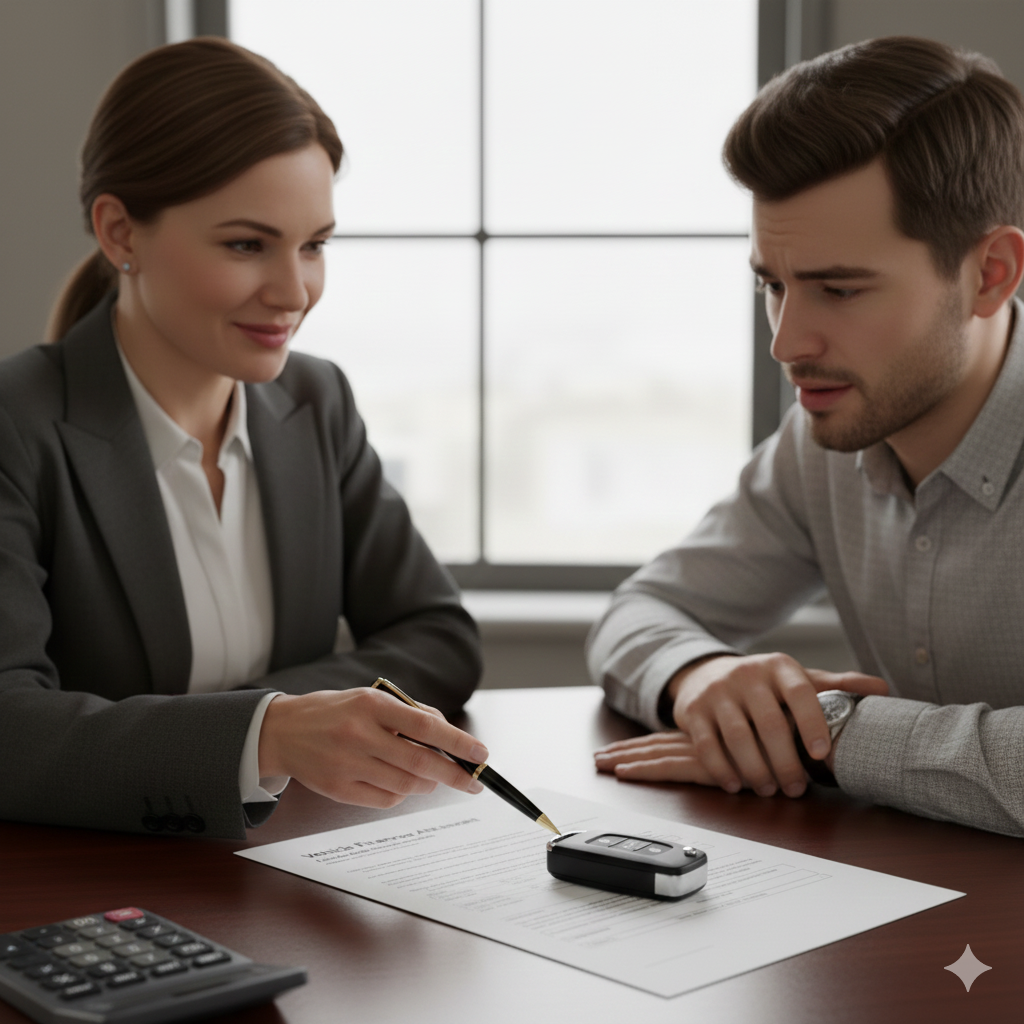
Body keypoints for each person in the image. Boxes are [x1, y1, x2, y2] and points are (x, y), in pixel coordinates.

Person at [0, 38, 488, 841]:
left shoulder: (315, 401)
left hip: (283, 866)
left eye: (315, 245)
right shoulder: (16, 429)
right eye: (245, 245)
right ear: (120, 233)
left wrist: (271, 726)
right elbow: (6, 729)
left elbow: (437, 639)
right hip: (92, 895)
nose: (294, 292)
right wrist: (260, 733)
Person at [588, 36, 1024, 838]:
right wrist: (703, 676)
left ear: (989, 273)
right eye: (772, 285)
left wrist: (830, 732)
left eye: (839, 289)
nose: (787, 344)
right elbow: (642, 610)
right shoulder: (824, 435)